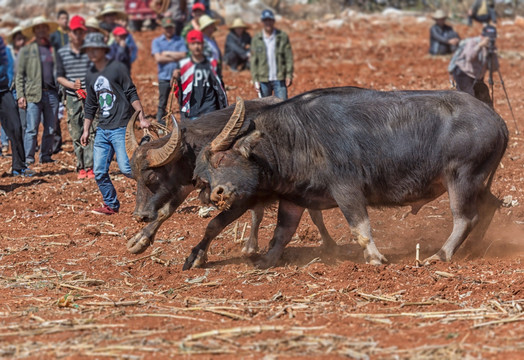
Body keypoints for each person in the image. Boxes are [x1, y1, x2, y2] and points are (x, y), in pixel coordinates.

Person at [80, 32, 149, 215]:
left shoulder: (117, 68)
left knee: (127, 168)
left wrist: (141, 118)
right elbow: (90, 104)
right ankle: (111, 205)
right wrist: (86, 130)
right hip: (102, 129)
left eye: (95, 49)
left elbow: (131, 92)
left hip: (121, 127)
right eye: (89, 49)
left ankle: (155, 187)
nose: (92, 53)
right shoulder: (90, 74)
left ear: (103, 50)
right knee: (99, 171)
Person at [16, 16, 60, 165]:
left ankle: (45, 156)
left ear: (48, 30)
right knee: (31, 129)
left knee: (50, 128)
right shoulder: (27, 50)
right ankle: (29, 158)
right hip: (33, 94)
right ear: (34, 31)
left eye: (44, 28)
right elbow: (19, 75)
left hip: (52, 93)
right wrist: (21, 95)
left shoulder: (53, 48)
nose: (41, 31)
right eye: (38, 28)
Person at [56, 15, 95, 180]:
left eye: (81, 31)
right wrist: (71, 85)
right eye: (75, 31)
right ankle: (81, 167)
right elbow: (59, 76)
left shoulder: (91, 51)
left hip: (90, 97)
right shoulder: (62, 53)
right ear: (70, 33)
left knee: (92, 131)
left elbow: (97, 71)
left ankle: (91, 166)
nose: (78, 35)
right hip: (72, 98)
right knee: (76, 131)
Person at [0, 35, 35, 176]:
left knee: (15, 127)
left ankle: (19, 166)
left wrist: (8, 84)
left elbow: (9, 66)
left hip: (3, 91)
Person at [177, 29, 227, 120]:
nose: (196, 47)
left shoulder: (212, 64)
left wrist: (223, 109)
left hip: (210, 109)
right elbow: (179, 92)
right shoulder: (183, 66)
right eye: (193, 44)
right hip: (192, 110)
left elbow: (220, 88)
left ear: (203, 44)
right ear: (188, 45)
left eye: (199, 43)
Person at [250, 9, 293, 100]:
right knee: (265, 109)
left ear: (273, 21)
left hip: (279, 78)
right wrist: (255, 79)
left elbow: (288, 57)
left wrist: (288, 74)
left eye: (270, 20)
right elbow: (254, 61)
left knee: (282, 107)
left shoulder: (282, 36)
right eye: (265, 20)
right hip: (263, 79)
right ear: (262, 22)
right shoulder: (257, 39)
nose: (268, 23)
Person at [151, 17, 187, 125]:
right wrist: (176, 56)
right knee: (162, 102)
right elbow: (158, 58)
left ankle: (185, 123)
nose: (169, 30)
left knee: (182, 101)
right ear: (162, 28)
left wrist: (167, 53)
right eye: (166, 28)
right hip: (164, 76)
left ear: (174, 28)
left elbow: (184, 55)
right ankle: (160, 124)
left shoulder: (180, 40)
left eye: (170, 28)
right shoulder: (156, 41)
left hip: (180, 75)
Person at [452, 25, 498, 106]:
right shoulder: (473, 42)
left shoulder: (491, 47)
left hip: (477, 76)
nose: (490, 40)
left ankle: (488, 116)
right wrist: (480, 46)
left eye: (492, 38)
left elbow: (494, 68)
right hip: (464, 74)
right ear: (482, 36)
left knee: (484, 97)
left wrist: (493, 54)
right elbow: (469, 58)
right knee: (469, 99)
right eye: (488, 38)